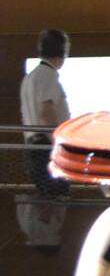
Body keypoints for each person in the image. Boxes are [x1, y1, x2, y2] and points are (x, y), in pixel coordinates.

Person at [19, 28, 71, 198]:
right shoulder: (47, 75)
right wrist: (59, 146)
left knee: (46, 199)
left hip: (34, 146)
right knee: (56, 199)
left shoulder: (30, 77)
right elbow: (46, 113)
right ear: (62, 52)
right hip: (46, 148)